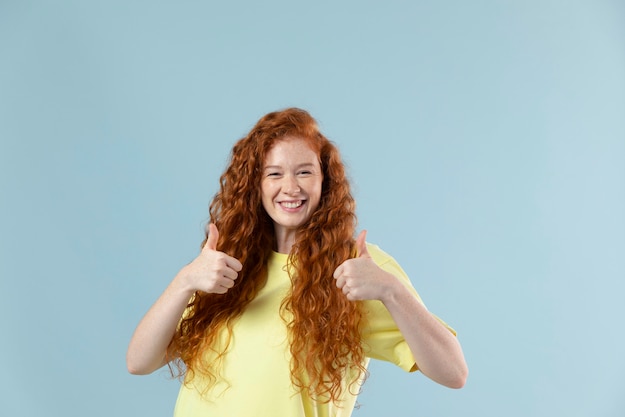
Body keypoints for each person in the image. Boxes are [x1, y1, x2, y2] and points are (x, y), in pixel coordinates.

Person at [126, 107, 468, 416]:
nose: (290, 187)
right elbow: (139, 362)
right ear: (255, 185)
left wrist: (390, 290)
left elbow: (453, 372)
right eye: (274, 174)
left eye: (304, 172)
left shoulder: (356, 268)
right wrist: (185, 280)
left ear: (325, 181)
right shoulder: (225, 263)